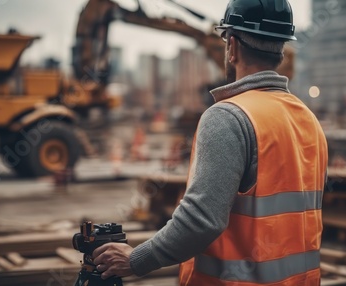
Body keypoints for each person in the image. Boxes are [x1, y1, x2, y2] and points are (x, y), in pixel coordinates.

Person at [92, 0, 328, 285]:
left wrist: (135, 259)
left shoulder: (229, 117)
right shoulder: (308, 120)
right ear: (281, 48)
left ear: (232, 46)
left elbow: (200, 220)